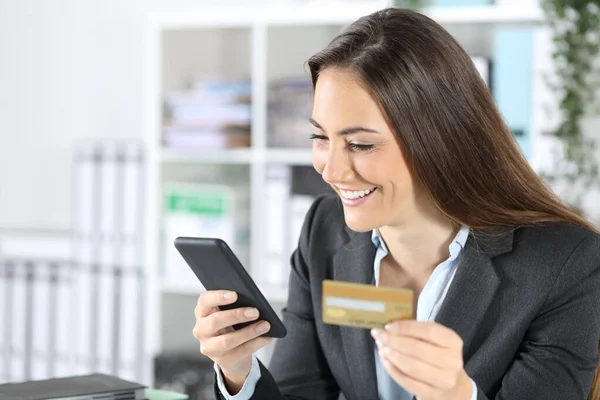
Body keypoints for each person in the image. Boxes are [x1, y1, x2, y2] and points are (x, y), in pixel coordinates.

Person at [192, 7, 600, 400]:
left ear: (439, 140)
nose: (331, 170)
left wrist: (457, 396)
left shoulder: (565, 263)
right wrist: (239, 371)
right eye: (320, 138)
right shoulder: (325, 231)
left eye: (360, 144)